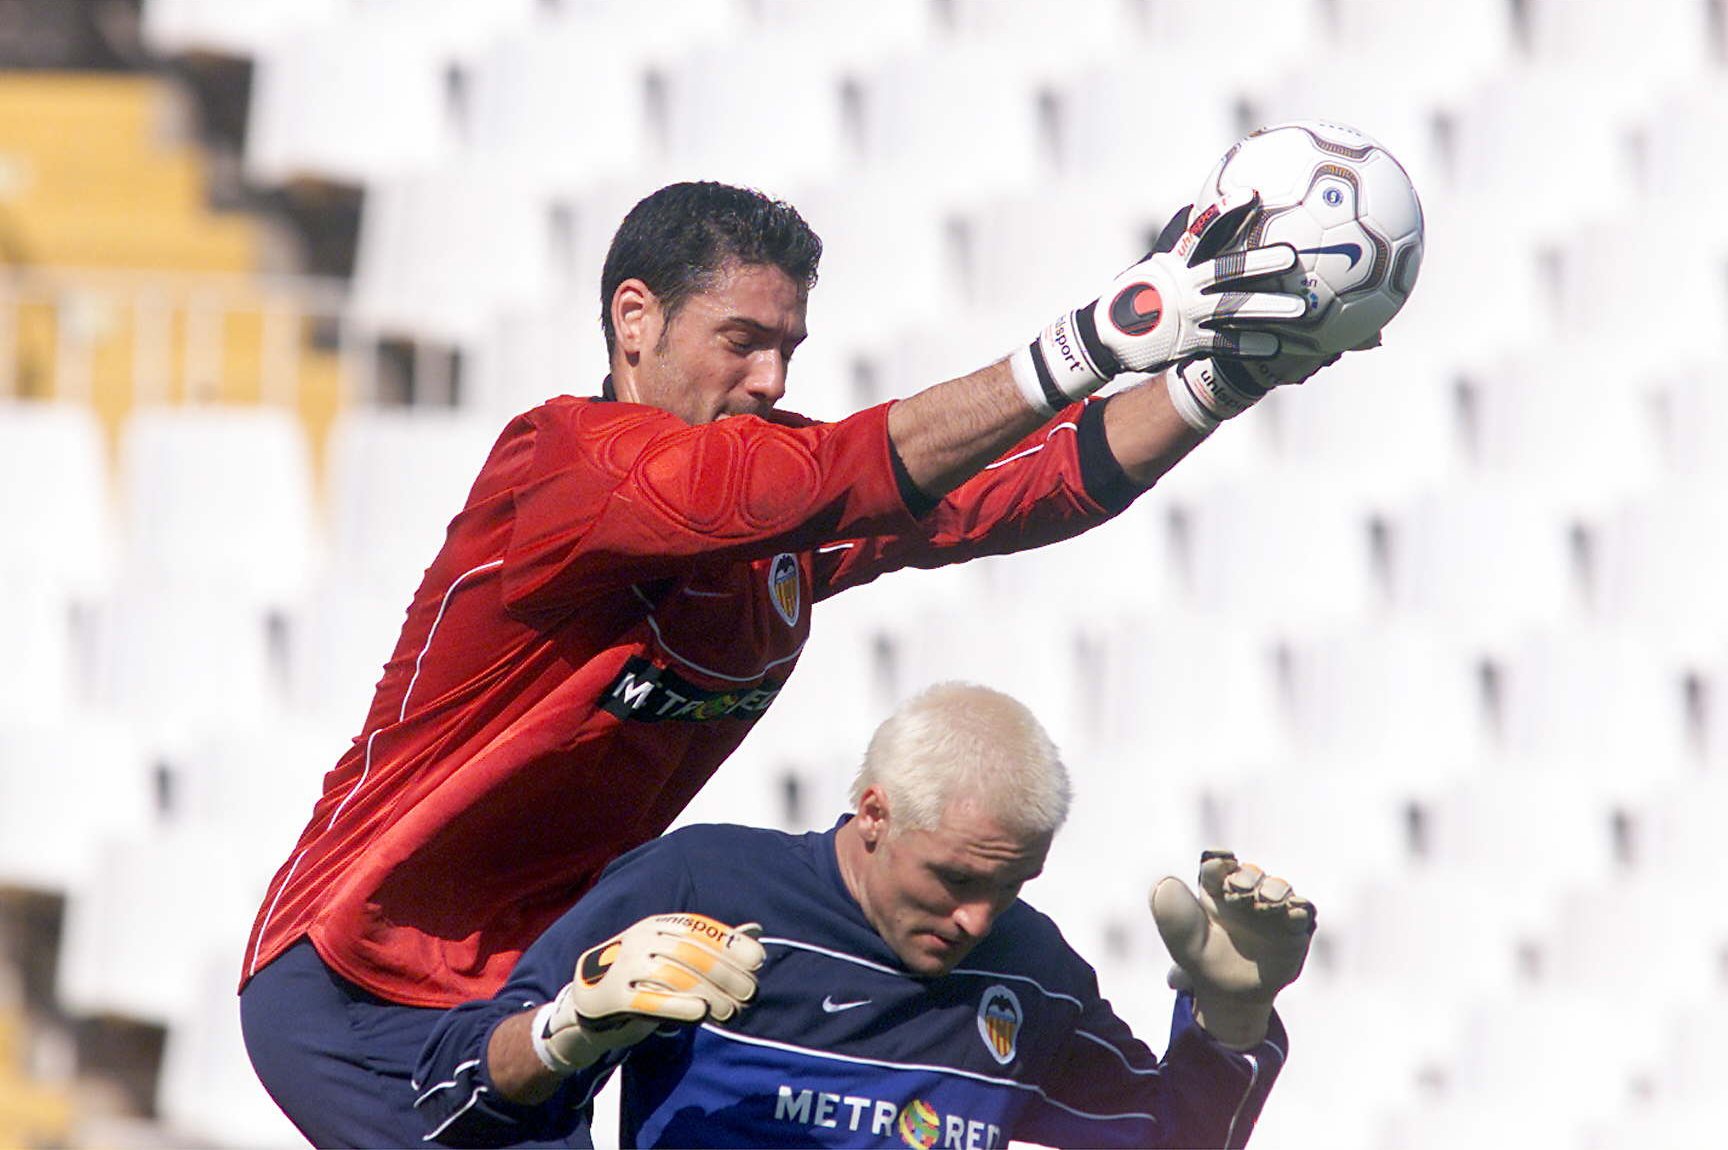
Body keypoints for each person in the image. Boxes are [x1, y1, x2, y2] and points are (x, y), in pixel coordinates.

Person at [240, 179, 1332, 1146]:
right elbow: (825, 476)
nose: (769, 377)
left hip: (559, 981)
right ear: (634, 320)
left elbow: (1017, 490)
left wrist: (1217, 384)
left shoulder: (775, 516)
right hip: (358, 968)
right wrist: (1099, 338)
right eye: (741, 340)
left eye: (789, 350)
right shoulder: (566, 463)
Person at [413, 682, 1316, 1148]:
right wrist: (566, 1029)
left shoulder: (1031, 968)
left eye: (1011, 886)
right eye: (954, 878)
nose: (977, 920)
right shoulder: (701, 882)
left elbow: (1170, 1138)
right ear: (875, 813)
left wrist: (1234, 1020)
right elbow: (448, 1097)